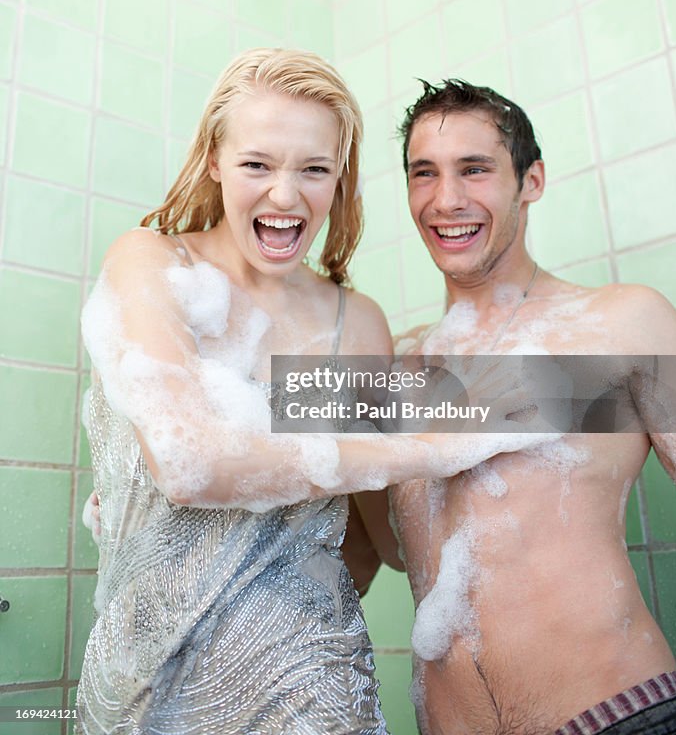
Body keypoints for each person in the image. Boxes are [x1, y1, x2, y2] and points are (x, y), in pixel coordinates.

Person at [76, 51, 547, 735]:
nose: (286, 196)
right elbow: (189, 464)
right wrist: (426, 445)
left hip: (315, 687)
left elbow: (376, 540)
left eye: (314, 170)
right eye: (256, 165)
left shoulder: (353, 322)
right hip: (148, 688)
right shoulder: (154, 264)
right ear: (214, 159)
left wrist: (491, 414)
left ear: (339, 177)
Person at [359, 79, 676, 735]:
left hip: (613, 718)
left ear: (529, 180)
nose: (445, 199)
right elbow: (380, 551)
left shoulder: (621, 322)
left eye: (473, 170)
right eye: (424, 174)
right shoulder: (393, 365)